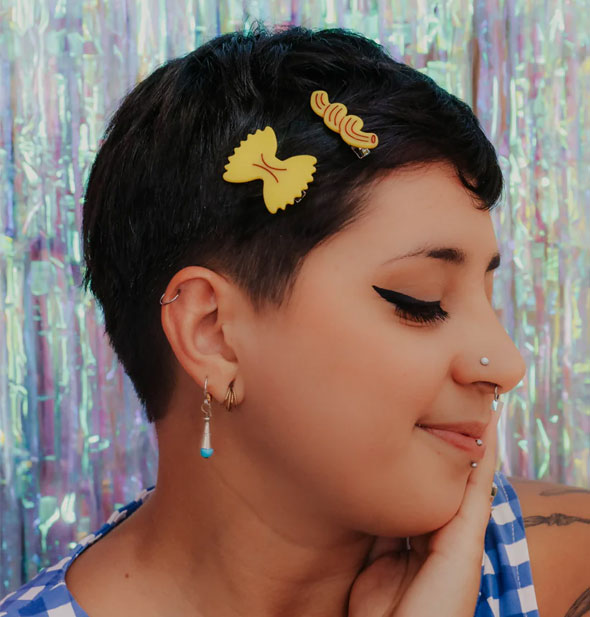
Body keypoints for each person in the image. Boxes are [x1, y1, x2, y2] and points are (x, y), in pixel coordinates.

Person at [1, 24, 589, 617]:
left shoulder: (557, 567)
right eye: (420, 301)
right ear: (213, 334)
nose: (507, 365)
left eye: (489, 297)